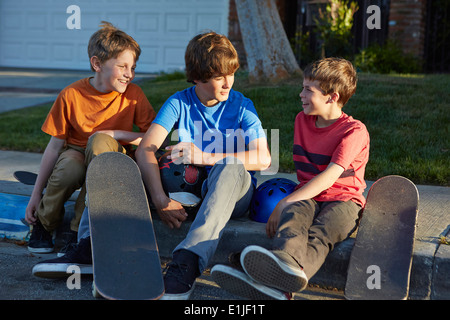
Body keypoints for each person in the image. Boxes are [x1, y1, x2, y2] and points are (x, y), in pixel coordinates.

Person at [211, 57, 370, 300]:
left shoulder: (354, 131)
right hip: (309, 194)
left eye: (308, 89)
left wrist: (285, 201)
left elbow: (329, 177)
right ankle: (279, 275)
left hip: (344, 201)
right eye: (303, 87)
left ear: (332, 97)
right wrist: (291, 204)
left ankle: (273, 281)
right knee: (293, 223)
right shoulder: (302, 120)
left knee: (321, 234)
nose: (301, 94)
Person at [135, 31, 271, 299]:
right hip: (193, 192)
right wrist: (160, 199)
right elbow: (145, 149)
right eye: (219, 77)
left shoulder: (243, 106)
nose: (227, 83)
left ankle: (187, 261)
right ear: (197, 77)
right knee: (126, 166)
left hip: (235, 194)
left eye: (231, 73)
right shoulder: (179, 102)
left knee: (230, 165)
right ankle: (91, 244)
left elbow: (264, 158)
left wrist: (207, 158)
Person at [25, 21, 156, 255]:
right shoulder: (71, 94)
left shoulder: (134, 95)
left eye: (133, 67)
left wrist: (116, 134)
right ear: (97, 64)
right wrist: (35, 194)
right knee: (69, 169)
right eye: (123, 66)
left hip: (113, 156)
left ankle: (79, 232)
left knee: (99, 142)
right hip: (75, 152)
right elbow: (54, 148)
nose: (129, 74)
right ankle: (44, 224)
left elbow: (155, 138)